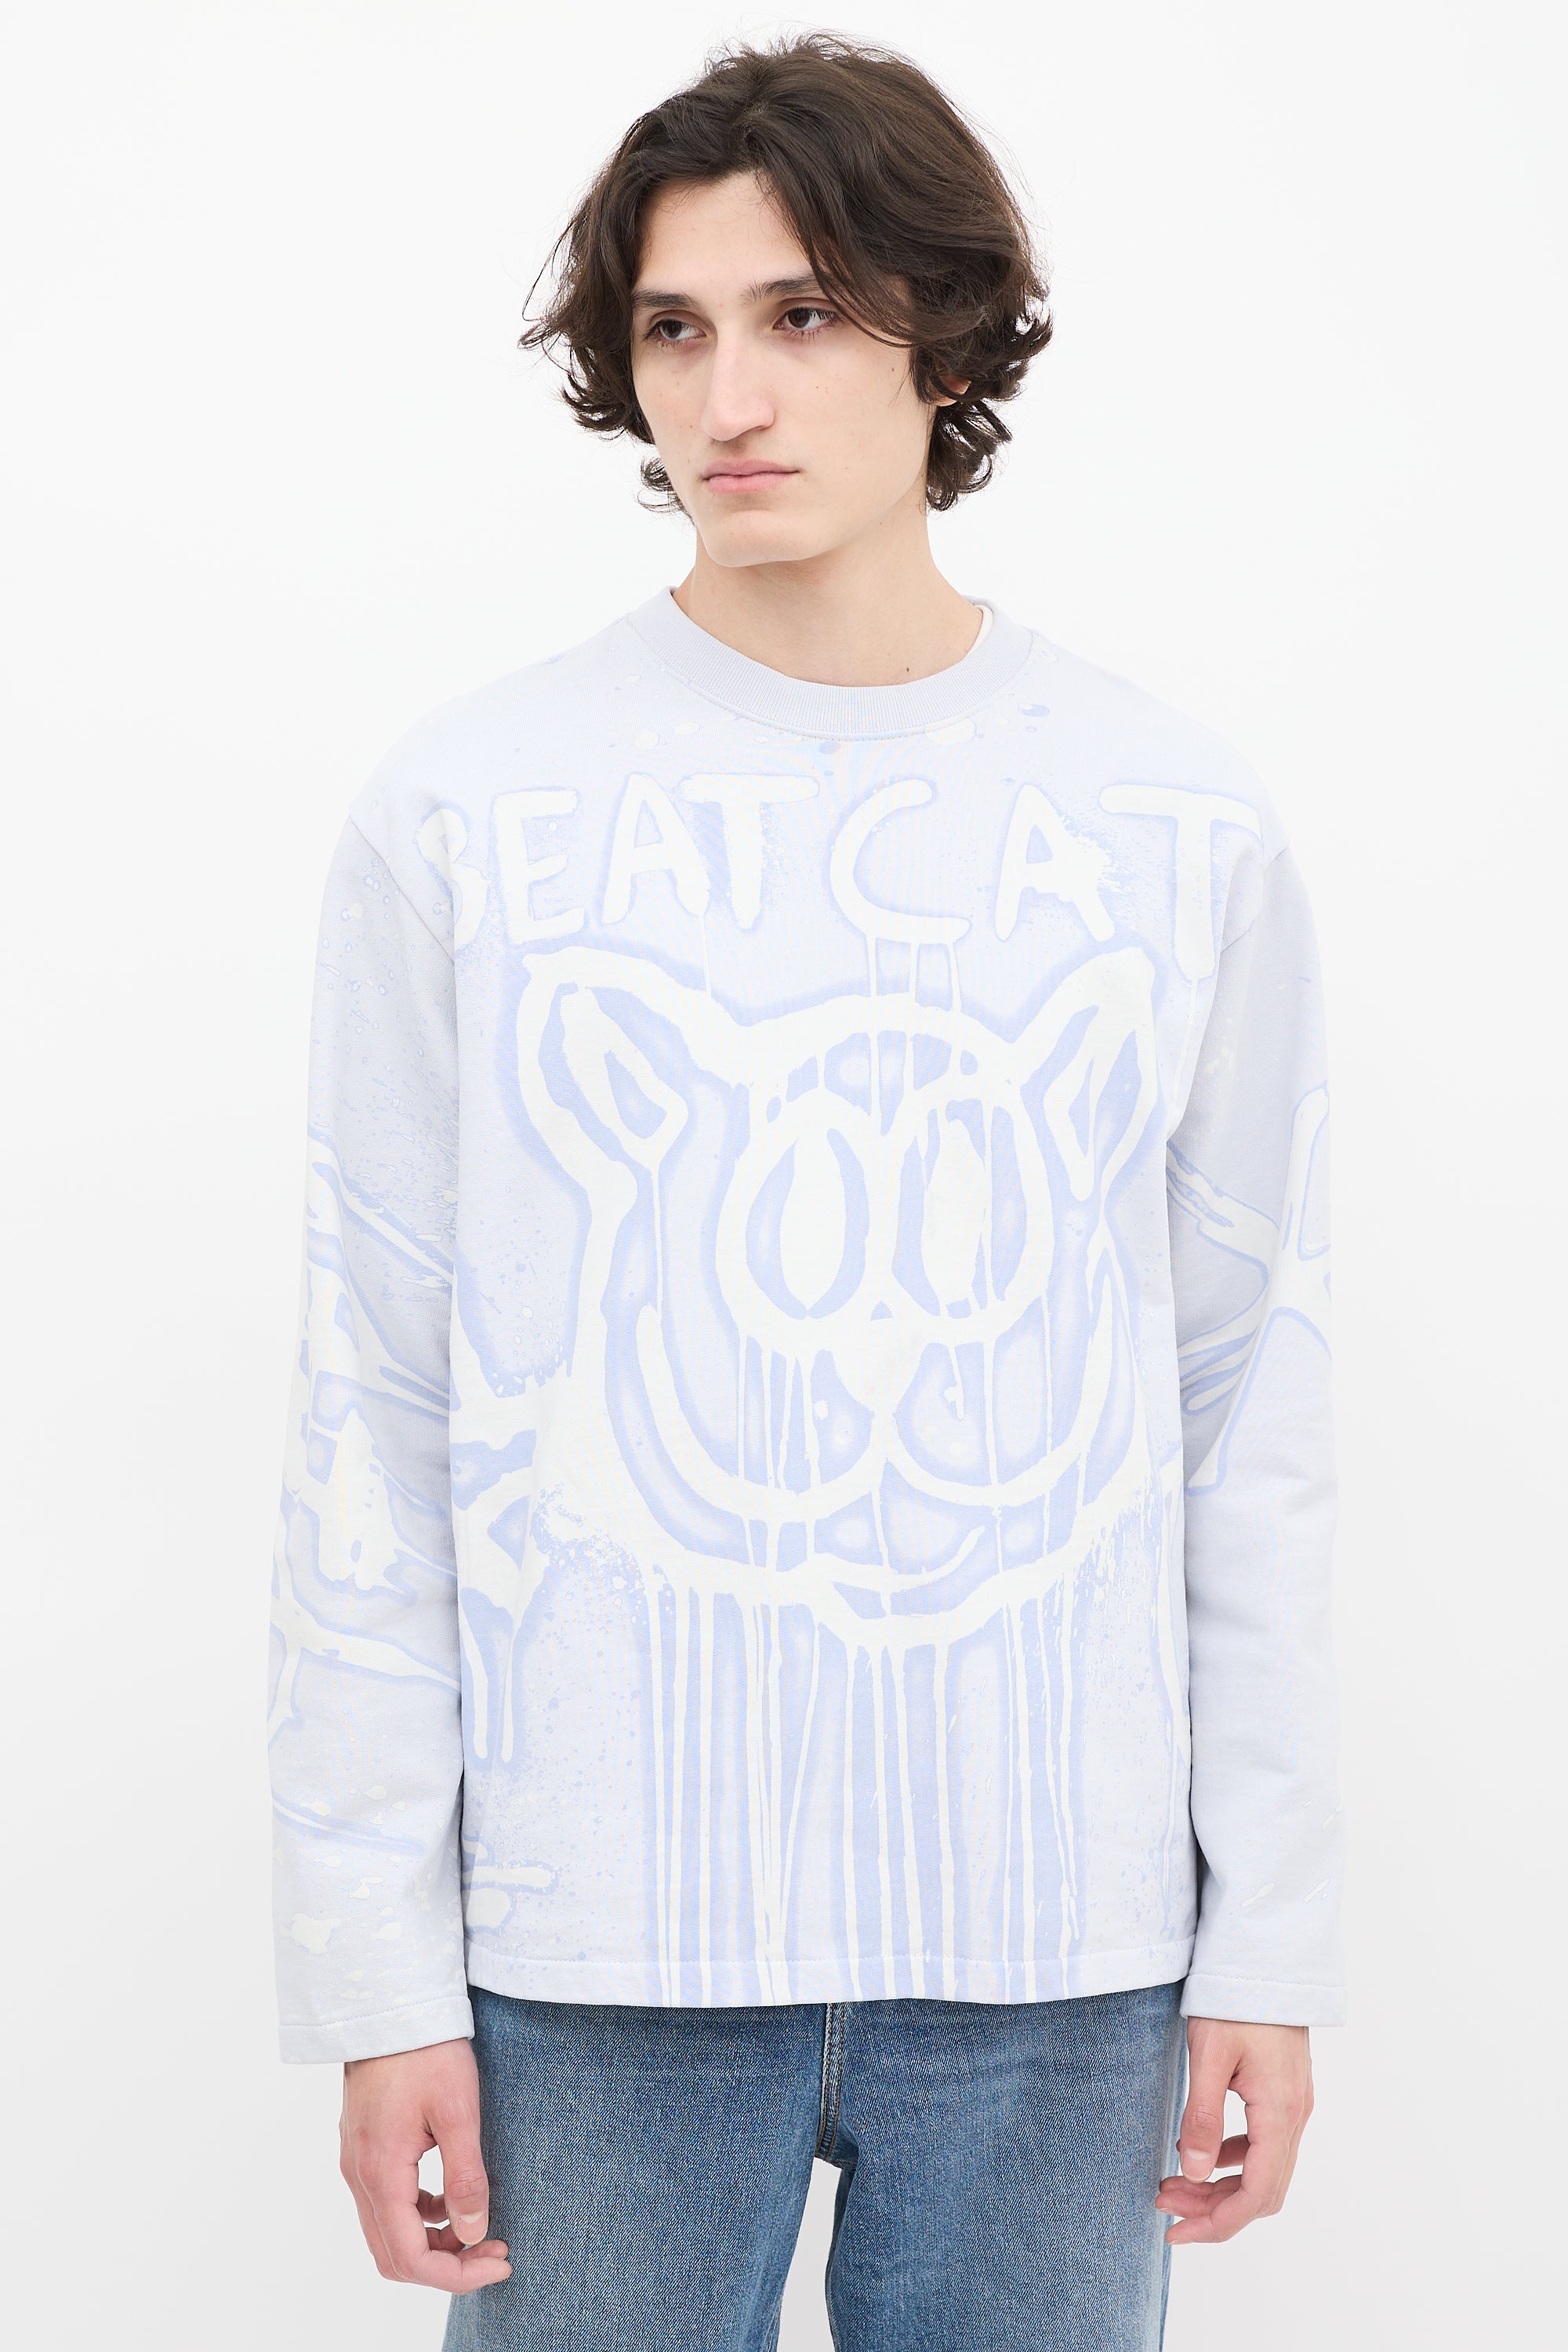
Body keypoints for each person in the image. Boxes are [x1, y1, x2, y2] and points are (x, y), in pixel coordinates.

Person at [267, 32, 1341, 2350]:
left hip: (1057, 1951)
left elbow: (1247, 1408)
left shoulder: (1169, 824)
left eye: (806, 313)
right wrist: (376, 1974)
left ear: (943, 340)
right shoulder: (473, 814)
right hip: (600, 1948)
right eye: (675, 326)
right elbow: (377, 1403)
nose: (727, 395)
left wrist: (1269, 1933)